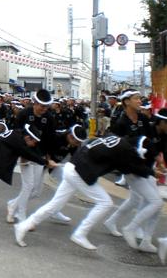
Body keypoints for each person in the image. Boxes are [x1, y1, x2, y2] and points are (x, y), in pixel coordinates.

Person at [14, 135, 154, 250]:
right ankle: (80, 233)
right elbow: (135, 169)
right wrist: (153, 172)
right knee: (105, 203)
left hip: (72, 167)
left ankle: (23, 226)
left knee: (55, 205)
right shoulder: (126, 150)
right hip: (79, 172)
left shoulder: (116, 139)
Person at [104, 108, 167, 253]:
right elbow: (135, 151)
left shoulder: (164, 135)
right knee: (154, 202)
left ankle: (119, 224)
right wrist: (153, 170)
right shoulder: (146, 130)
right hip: (135, 169)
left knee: (141, 201)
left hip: (147, 170)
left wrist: (161, 166)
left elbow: (161, 155)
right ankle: (132, 228)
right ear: (162, 122)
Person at [7, 89, 56, 223]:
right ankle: (21, 215)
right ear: (34, 103)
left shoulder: (50, 118)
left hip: (39, 155)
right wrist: (20, 154)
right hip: (25, 154)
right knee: (28, 186)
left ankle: (13, 204)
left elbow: (50, 139)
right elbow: (16, 135)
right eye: (42, 106)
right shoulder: (23, 114)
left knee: (36, 191)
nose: (44, 109)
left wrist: (48, 158)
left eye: (46, 106)